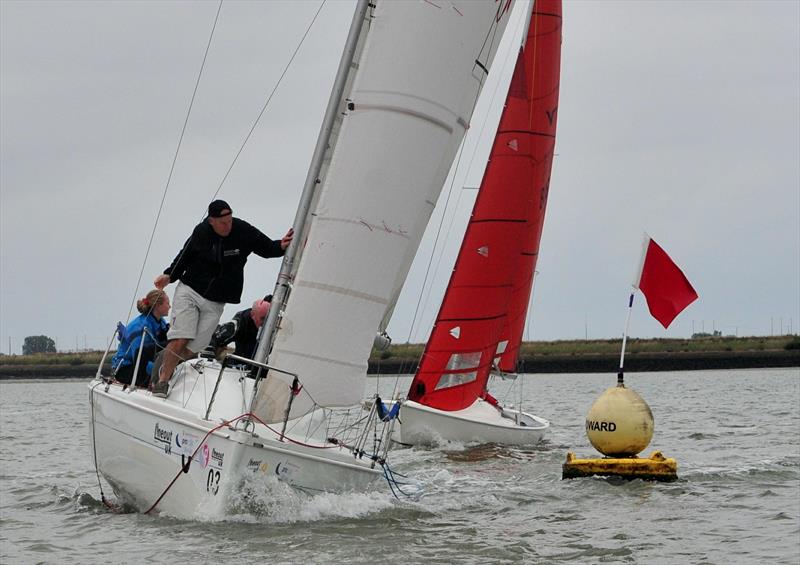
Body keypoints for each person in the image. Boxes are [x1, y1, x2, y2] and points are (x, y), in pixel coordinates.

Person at [151, 199, 292, 398]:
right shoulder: (202, 232)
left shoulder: (242, 230)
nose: (228, 225)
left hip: (216, 300)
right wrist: (169, 275)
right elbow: (185, 255)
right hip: (190, 289)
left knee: (197, 345)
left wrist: (281, 246)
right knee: (182, 335)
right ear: (212, 221)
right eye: (223, 222)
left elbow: (267, 248)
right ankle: (162, 382)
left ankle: (165, 363)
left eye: (230, 220)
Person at [111, 289, 170, 387]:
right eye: (167, 303)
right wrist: (158, 373)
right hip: (125, 368)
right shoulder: (139, 326)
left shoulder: (161, 322)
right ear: (157, 306)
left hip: (142, 366)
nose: (170, 306)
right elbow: (138, 357)